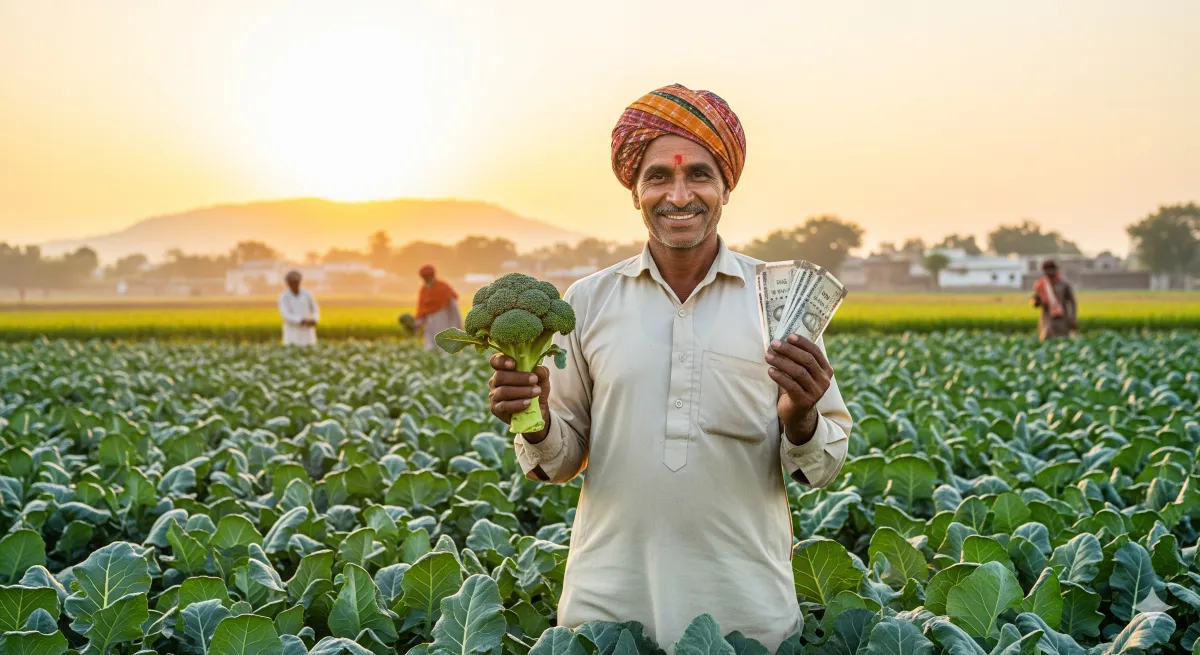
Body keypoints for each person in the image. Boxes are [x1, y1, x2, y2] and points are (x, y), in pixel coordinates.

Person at [486, 84, 852, 652]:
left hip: (747, 613)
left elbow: (823, 466)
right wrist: (531, 420)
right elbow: (561, 460)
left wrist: (801, 415)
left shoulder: (779, 299)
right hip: (605, 607)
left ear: (726, 187)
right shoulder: (587, 302)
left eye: (699, 175)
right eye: (658, 177)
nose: (679, 195)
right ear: (635, 192)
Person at [414, 264, 462, 349]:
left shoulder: (444, 287)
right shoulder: (423, 290)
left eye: (427, 277)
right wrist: (417, 324)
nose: (426, 279)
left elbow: (454, 308)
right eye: (424, 278)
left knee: (444, 348)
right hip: (429, 324)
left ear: (432, 276)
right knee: (429, 348)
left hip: (444, 322)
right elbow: (422, 310)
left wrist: (458, 325)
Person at [1031, 259, 1077, 340]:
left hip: (1062, 320)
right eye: (1047, 270)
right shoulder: (1041, 285)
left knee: (1063, 340)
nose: (1049, 272)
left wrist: (1072, 318)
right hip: (1047, 319)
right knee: (1046, 341)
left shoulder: (1063, 285)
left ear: (1055, 270)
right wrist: (1037, 301)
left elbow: (1072, 302)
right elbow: (1035, 302)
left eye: (1051, 269)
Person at [278, 270, 319, 346]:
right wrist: (301, 320)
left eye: (296, 282)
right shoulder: (284, 297)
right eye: (292, 282)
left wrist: (314, 319)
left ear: (299, 282)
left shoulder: (307, 294)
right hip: (292, 331)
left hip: (307, 330)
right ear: (288, 283)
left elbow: (315, 309)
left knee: (309, 349)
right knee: (292, 350)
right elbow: (285, 314)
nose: (294, 284)